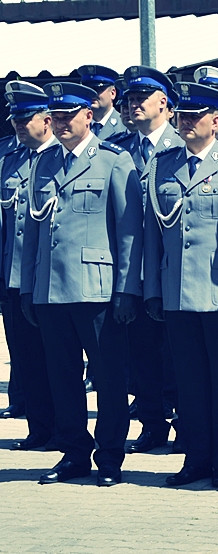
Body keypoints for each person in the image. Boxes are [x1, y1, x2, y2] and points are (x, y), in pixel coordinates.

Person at [23, 82, 143, 486]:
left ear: (88, 116)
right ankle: (74, 452)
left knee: (109, 378)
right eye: (54, 117)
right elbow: (35, 230)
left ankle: (109, 456)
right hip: (51, 289)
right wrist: (28, 287)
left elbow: (128, 232)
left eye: (67, 116)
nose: (59, 124)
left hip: (97, 288)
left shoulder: (113, 159)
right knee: (62, 376)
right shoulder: (43, 162)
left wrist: (126, 289)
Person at [145, 82, 218, 488]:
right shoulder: (163, 166)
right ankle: (195, 459)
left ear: (216, 121)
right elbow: (152, 236)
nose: (187, 122)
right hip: (176, 291)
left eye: (196, 116)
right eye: (183, 116)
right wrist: (153, 290)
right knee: (189, 384)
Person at [112, 66, 183, 454]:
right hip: (134, 269)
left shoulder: (182, 144)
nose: (134, 103)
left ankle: (187, 423)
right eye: (130, 98)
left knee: (181, 355)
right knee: (141, 355)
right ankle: (152, 423)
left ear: (165, 104)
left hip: (174, 268)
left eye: (143, 97)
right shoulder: (120, 148)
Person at [1, 86, 58, 449]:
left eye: (27, 119)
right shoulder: (7, 156)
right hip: (12, 275)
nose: (20, 126)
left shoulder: (59, 156)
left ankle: (66, 429)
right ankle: (39, 429)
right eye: (16, 120)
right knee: (25, 357)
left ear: (46, 120)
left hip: (50, 276)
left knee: (58, 359)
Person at [77, 65, 124, 140]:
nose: (92, 94)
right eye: (87, 90)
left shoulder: (125, 125)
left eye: (97, 89)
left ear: (112, 93)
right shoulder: (77, 127)